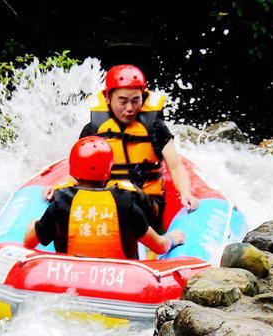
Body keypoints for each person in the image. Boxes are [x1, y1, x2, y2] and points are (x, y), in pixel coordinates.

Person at [79, 64, 200, 231]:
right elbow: (78, 172)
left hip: (147, 203)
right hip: (105, 203)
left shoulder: (155, 128)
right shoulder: (93, 130)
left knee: (126, 198)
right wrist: (59, 190)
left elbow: (176, 167)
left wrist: (186, 193)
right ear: (108, 97)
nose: (130, 108)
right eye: (123, 101)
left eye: (136, 100)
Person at [24, 136, 184, 259]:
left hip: (70, 282)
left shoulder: (60, 203)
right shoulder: (125, 203)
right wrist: (172, 238)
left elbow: (28, 242)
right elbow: (160, 246)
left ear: (73, 170)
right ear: (108, 170)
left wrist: (33, 224)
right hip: (124, 285)